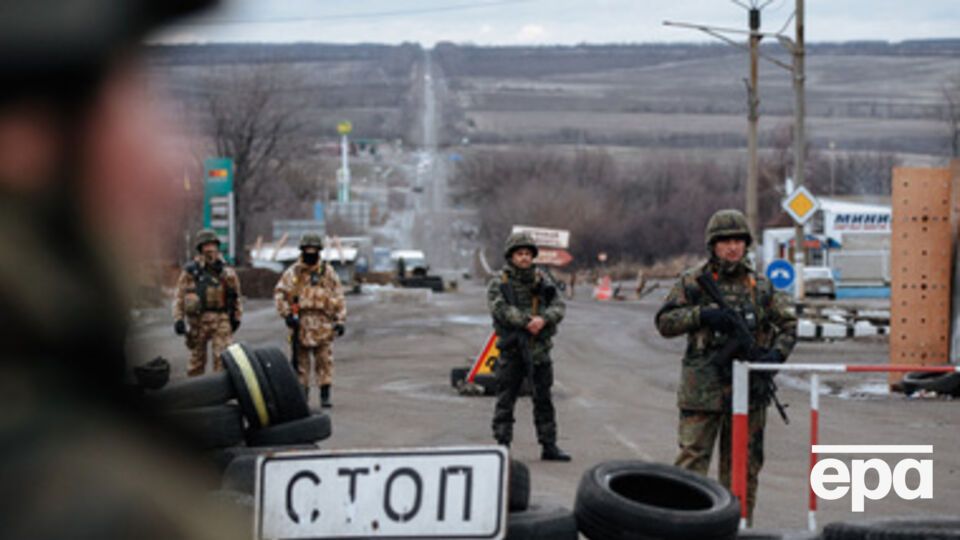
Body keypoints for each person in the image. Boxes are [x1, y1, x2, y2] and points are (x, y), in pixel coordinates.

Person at [0, 0, 249, 538]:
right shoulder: (82, 499)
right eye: (127, 105)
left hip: (220, 328)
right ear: (22, 143)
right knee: (199, 371)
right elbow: (186, 291)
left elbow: (230, 294)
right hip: (196, 333)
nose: (164, 168)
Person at [655, 209, 797, 522]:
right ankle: (685, 527)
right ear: (713, 245)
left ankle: (738, 527)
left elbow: (789, 325)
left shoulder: (760, 286)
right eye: (725, 241)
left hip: (749, 389)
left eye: (738, 241)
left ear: (747, 244)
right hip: (702, 388)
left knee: (743, 467)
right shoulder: (693, 282)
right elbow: (664, 322)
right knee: (691, 465)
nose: (732, 247)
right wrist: (701, 315)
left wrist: (774, 358)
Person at [488, 232, 570, 461]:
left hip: (539, 350)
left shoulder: (542, 280)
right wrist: (527, 322)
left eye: (527, 254)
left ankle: (549, 445)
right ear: (511, 256)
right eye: (519, 254)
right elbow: (500, 309)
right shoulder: (500, 283)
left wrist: (543, 320)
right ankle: (502, 446)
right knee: (506, 400)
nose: (524, 258)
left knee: (543, 400)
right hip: (512, 351)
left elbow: (559, 306)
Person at [275, 232, 346, 407]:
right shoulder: (293, 273)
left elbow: (338, 296)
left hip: (323, 323)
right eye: (308, 249)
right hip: (301, 323)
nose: (311, 252)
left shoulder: (327, 273)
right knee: (301, 364)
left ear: (319, 251)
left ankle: (325, 394)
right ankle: (302, 395)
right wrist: (287, 315)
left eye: (314, 249)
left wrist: (340, 320)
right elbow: (280, 294)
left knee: (324, 362)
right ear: (302, 250)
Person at [173, 229, 243, 377]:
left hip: (221, 320)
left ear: (217, 247)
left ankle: (220, 395)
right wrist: (178, 319)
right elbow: (179, 297)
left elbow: (236, 296)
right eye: (206, 245)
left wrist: (237, 317)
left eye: (212, 245)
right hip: (197, 322)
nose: (210, 249)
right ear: (200, 248)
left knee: (223, 361)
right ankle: (195, 396)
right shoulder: (191, 271)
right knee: (196, 364)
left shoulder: (227, 271)